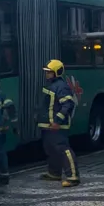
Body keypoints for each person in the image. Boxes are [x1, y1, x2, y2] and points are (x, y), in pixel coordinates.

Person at [38, 59, 80, 187]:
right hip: (48, 125)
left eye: (49, 72)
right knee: (51, 149)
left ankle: (73, 176)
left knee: (63, 149)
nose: (47, 74)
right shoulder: (52, 85)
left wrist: (57, 121)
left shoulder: (61, 86)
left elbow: (68, 104)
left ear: (57, 72)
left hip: (56, 125)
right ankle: (54, 173)